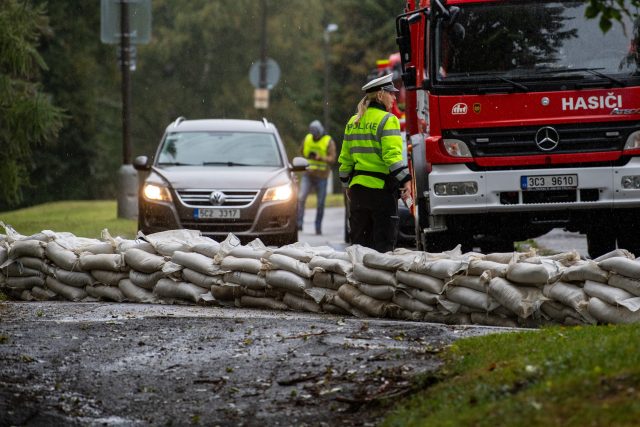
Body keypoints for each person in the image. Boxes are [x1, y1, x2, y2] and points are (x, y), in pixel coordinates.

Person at [338, 73, 412, 253]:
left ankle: (360, 281)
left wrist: (347, 185)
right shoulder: (388, 120)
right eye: (391, 93)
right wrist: (406, 181)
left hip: (357, 193)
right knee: (383, 248)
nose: (395, 97)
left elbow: (345, 161)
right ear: (380, 95)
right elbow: (392, 158)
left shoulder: (353, 121)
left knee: (359, 247)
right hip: (381, 194)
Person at [297, 120, 336, 235]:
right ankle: (299, 224)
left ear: (320, 132)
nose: (314, 136)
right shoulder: (307, 138)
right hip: (308, 174)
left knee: (320, 203)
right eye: (313, 134)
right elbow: (301, 152)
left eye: (316, 134)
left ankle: (318, 227)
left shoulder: (328, 141)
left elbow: (332, 159)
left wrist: (321, 158)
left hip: (322, 177)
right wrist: (305, 160)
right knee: (301, 198)